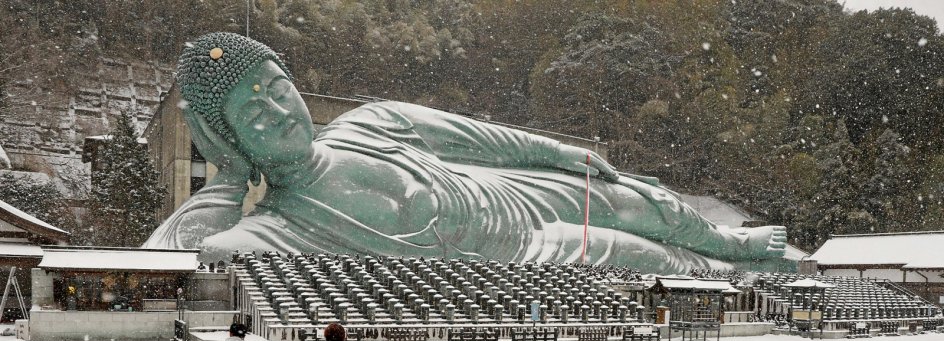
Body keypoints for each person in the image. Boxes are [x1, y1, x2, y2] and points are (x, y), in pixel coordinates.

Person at [144, 32, 791, 275]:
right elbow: (185, 259)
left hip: (509, 193)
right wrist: (228, 175)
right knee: (644, 256)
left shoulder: (373, 122)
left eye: (279, 89)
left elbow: (484, 138)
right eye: (253, 115)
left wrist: (563, 154)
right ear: (229, 136)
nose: (281, 112)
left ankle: (733, 243)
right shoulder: (278, 226)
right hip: (515, 254)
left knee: (634, 201)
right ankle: (740, 274)